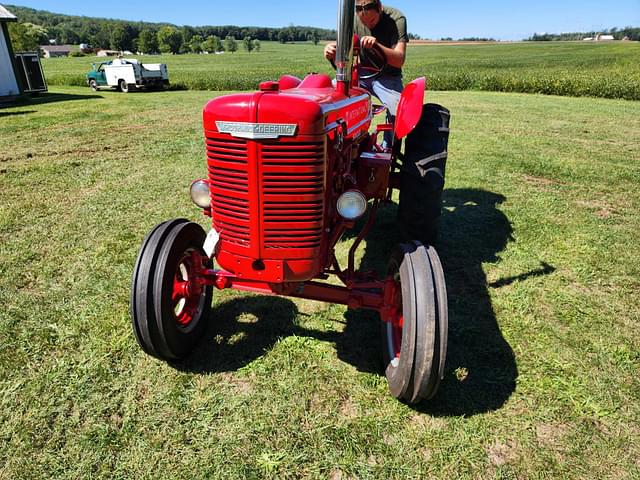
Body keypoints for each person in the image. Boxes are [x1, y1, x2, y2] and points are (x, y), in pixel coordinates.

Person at [324, 0, 408, 146]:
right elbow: (345, 52)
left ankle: (387, 151)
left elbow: (399, 59)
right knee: (328, 101)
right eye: (364, 22)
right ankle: (335, 145)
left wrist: (376, 45)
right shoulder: (352, 19)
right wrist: (332, 51)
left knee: (398, 110)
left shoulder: (396, 18)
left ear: (380, 8)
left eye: (372, 20)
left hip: (387, 76)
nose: (368, 25)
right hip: (361, 74)